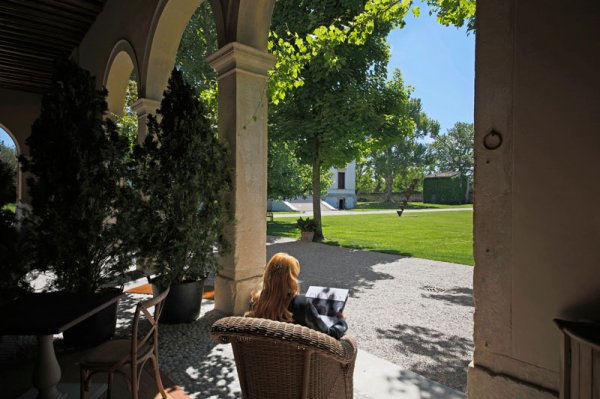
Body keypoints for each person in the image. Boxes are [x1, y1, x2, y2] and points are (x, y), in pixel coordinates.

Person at [246, 252, 348, 339]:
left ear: (268, 274)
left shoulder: (256, 301)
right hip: (298, 360)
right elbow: (328, 335)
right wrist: (342, 323)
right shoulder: (301, 304)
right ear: (291, 279)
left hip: (261, 358)